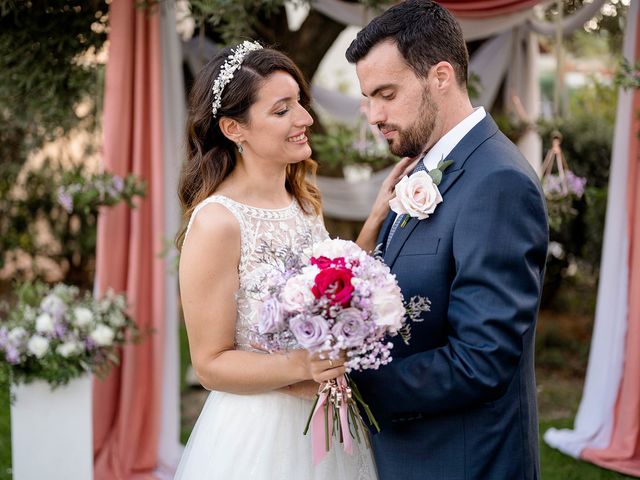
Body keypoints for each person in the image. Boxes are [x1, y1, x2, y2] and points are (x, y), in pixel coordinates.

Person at [174, 41, 413, 479]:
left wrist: (379, 215)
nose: (304, 119)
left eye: (300, 103)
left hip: (329, 420)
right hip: (260, 433)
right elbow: (210, 364)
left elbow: (333, 287)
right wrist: (303, 366)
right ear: (234, 128)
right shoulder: (217, 223)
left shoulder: (301, 198)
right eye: (282, 110)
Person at [344, 2, 549, 479]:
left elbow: (482, 359)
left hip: (462, 459)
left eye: (386, 93)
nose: (374, 115)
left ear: (440, 76)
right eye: (368, 98)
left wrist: (355, 382)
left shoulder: (497, 182)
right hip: (414, 451)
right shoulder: (425, 166)